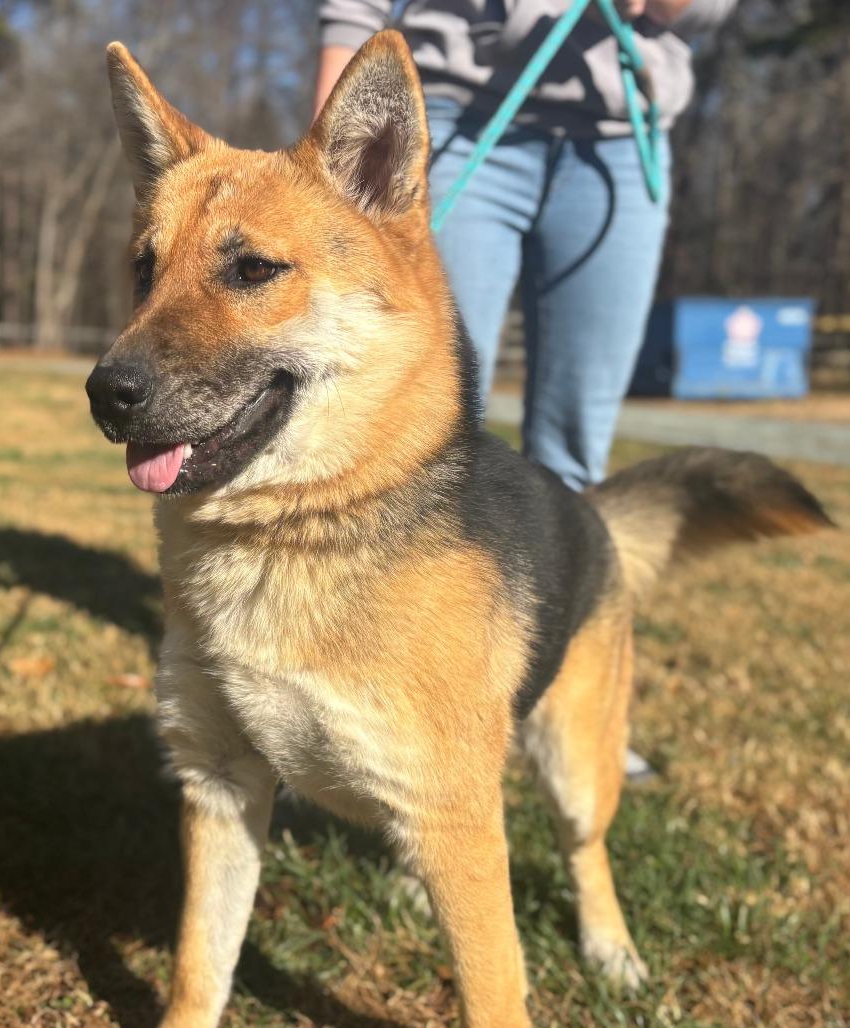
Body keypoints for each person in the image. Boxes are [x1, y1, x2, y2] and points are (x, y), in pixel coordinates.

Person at [315, 0, 736, 780]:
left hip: (618, 139)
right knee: (427, 434)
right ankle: (391, 712)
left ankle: (574, 711)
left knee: (575, 450)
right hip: (460, 114)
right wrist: (318, 175)